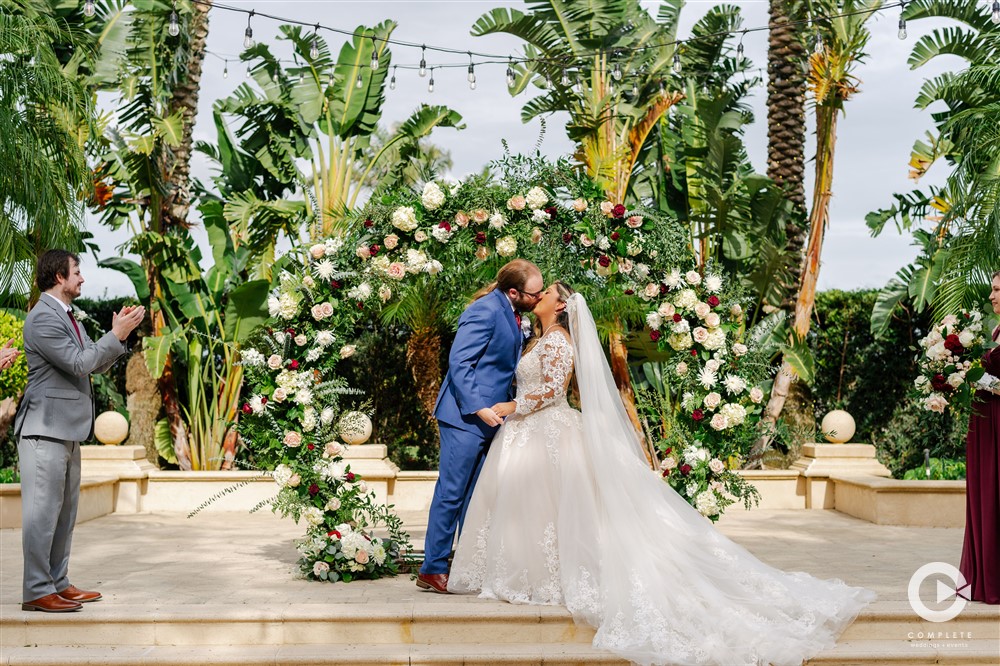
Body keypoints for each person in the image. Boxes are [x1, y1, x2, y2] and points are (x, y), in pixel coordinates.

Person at [449, 283, 875, 666]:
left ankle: (552, 577)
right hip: (526, 434)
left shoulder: (559, 341)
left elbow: (553, 389)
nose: (537, 296)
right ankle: (532, 574)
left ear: (560, 305)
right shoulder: (536, 338)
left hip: (546, 429)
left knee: (555, 505)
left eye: (544, 293)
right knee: (536, 509)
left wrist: (514, 406)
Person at [15, 250, 144, 613]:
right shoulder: (43, 317)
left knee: (64, 514)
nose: (82, 278)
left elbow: (93, 366)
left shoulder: (70, 317)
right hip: (44, 429)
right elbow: (77, 363)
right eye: (76, 272)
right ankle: (36, 589)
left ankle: (57, 582)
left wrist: (118, 338)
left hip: (68, 429)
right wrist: (114, 334)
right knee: (42, 515)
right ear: (59, 276)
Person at [416, 259, 544, 593]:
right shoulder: (484, 310)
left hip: (494, 419)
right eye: (535, 293)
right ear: (514, 292)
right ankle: (432, 569)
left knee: (475, 498)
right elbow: (460, 363)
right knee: (451, 493)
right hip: (465, 417)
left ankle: (466, 566)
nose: (539, 297)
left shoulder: (515, 314)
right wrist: (480, 408)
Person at [959, 269, 1000, 605]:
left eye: (997, 289)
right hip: (985, 424)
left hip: (999, 422)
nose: (991, 296)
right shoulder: (996, 330)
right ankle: (984, 575)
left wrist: (978, 379)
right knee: (986, 493)